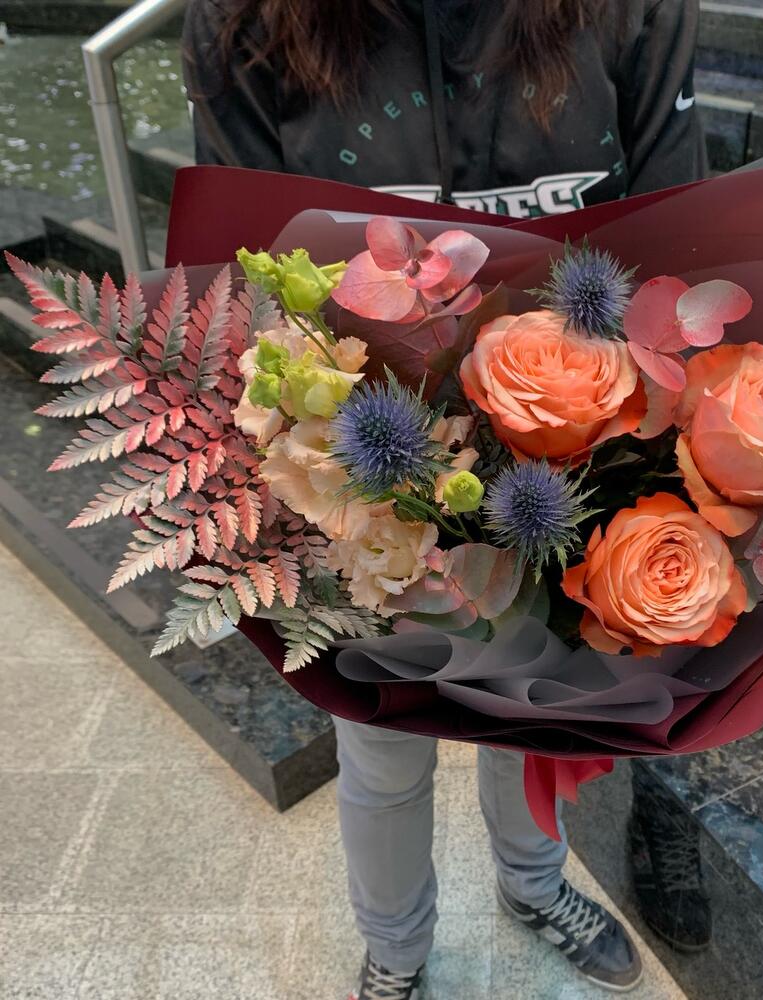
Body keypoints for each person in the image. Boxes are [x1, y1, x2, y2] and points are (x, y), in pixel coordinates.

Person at [183, 1, 707, 996]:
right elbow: (238, 284)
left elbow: (685, 242)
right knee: (381, 749)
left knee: (536, 716)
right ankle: (396, 950)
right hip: (362, 489)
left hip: (569, 474)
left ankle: (533, 885)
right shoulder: (247, 23)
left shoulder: (631, 10)